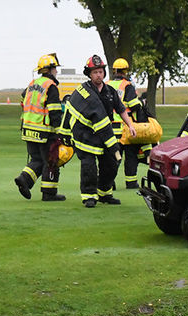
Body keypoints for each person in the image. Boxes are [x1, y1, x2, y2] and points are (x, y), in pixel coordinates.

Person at [60, 54, 137, 207]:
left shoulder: (110, 91)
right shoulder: (83, 92)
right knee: (89, 167)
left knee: (111, 164)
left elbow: (121, 109)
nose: (98, 75)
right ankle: (89, 196)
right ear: (89, 74)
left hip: (104, 134)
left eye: (101, 71)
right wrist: (64, 133)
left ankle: (105, 193)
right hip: (86, 136)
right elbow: (69, 111)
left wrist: (130, 125)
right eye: (95, 72)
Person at [14, 54, 66, 202]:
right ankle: (49, 193)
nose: (56, 71)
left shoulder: (32, 84)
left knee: (37, 159)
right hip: (45, 132)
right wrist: (60, 133)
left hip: (28, 129)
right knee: (51, 161)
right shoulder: (51, 86)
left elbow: (23, 99)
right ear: (50, 69)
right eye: (55, 68)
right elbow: (55, 112)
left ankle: (24, 179)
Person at [107, 58, 150, 189]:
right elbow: (133, 105)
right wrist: (141, 103)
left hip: (109, 128)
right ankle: (131, 182)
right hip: (126, 127)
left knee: (114, 156)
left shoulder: (106, 84)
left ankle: (109, 182)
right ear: (126, 71)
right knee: (131, 156)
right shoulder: (127, 85)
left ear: (114, 71)